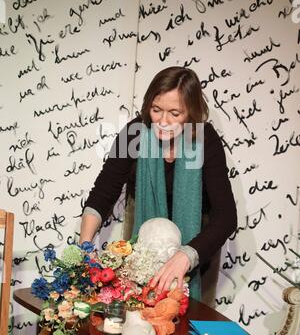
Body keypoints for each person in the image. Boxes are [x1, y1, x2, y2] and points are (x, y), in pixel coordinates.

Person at [80, 66, 237, 302]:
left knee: (188, 329)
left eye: (175, 113)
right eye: (156, 110)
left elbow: (226, 217)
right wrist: (85, 248)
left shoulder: (206, 140)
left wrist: (184, 256)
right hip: (142, 245)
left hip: (196, 249)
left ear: (191, 113)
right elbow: (103, 192)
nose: (163, 121)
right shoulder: (134, 132)